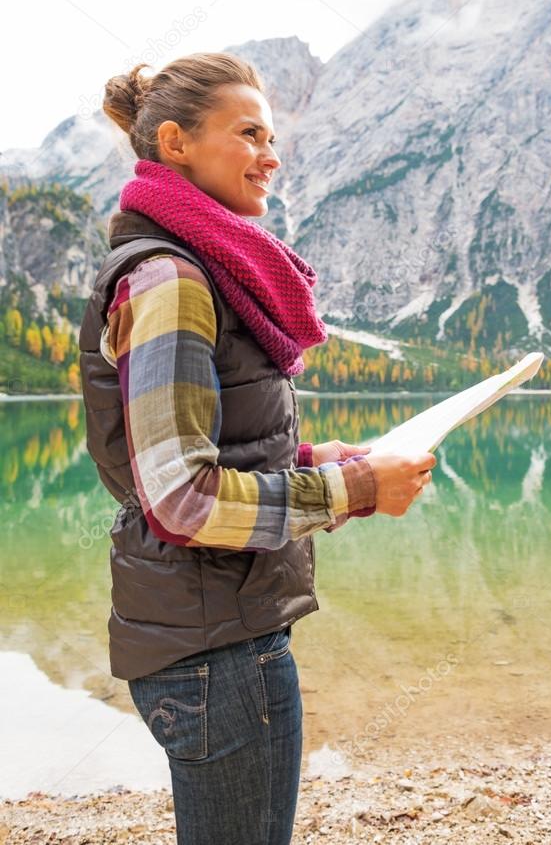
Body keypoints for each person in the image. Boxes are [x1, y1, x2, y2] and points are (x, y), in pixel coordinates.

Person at [78, 51, 436, 845]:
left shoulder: (197, 266)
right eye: (248, 134)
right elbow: (183, 499)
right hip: (217, 653)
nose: (272, 155)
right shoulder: (171, 278)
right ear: (174, 143)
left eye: (272, 136)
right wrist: (357, 490)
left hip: (206, 636)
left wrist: (320, 462)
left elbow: (191, 454)